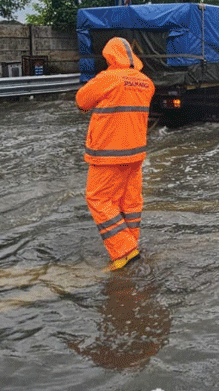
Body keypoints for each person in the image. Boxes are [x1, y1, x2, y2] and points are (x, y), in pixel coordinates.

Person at [76, 37, 155, 271]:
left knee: (98, 199)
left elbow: (81, 101)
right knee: (129, 202)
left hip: (108, 155)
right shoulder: (146, 82)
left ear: (110, 56)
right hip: (135, 154)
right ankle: (131, 245)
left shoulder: (107, 78)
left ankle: (125, 250)